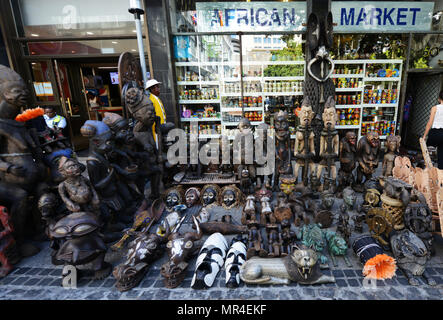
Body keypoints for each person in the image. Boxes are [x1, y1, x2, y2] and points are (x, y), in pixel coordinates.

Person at [423, 90, 443, 169]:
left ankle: (427, 170)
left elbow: (429, 123)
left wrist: (424, 136)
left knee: (428, 153)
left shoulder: (435, 108)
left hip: (435, 133)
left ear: (439, 98)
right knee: (442, 157)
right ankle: (441, 177)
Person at [145, 79, 167, 149]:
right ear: (152, 89)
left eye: (158, 87)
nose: (159, 89)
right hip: (156, 126)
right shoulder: (151, 100)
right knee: (157, 141)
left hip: (161, 125)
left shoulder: (156, 98)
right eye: (157, 87)